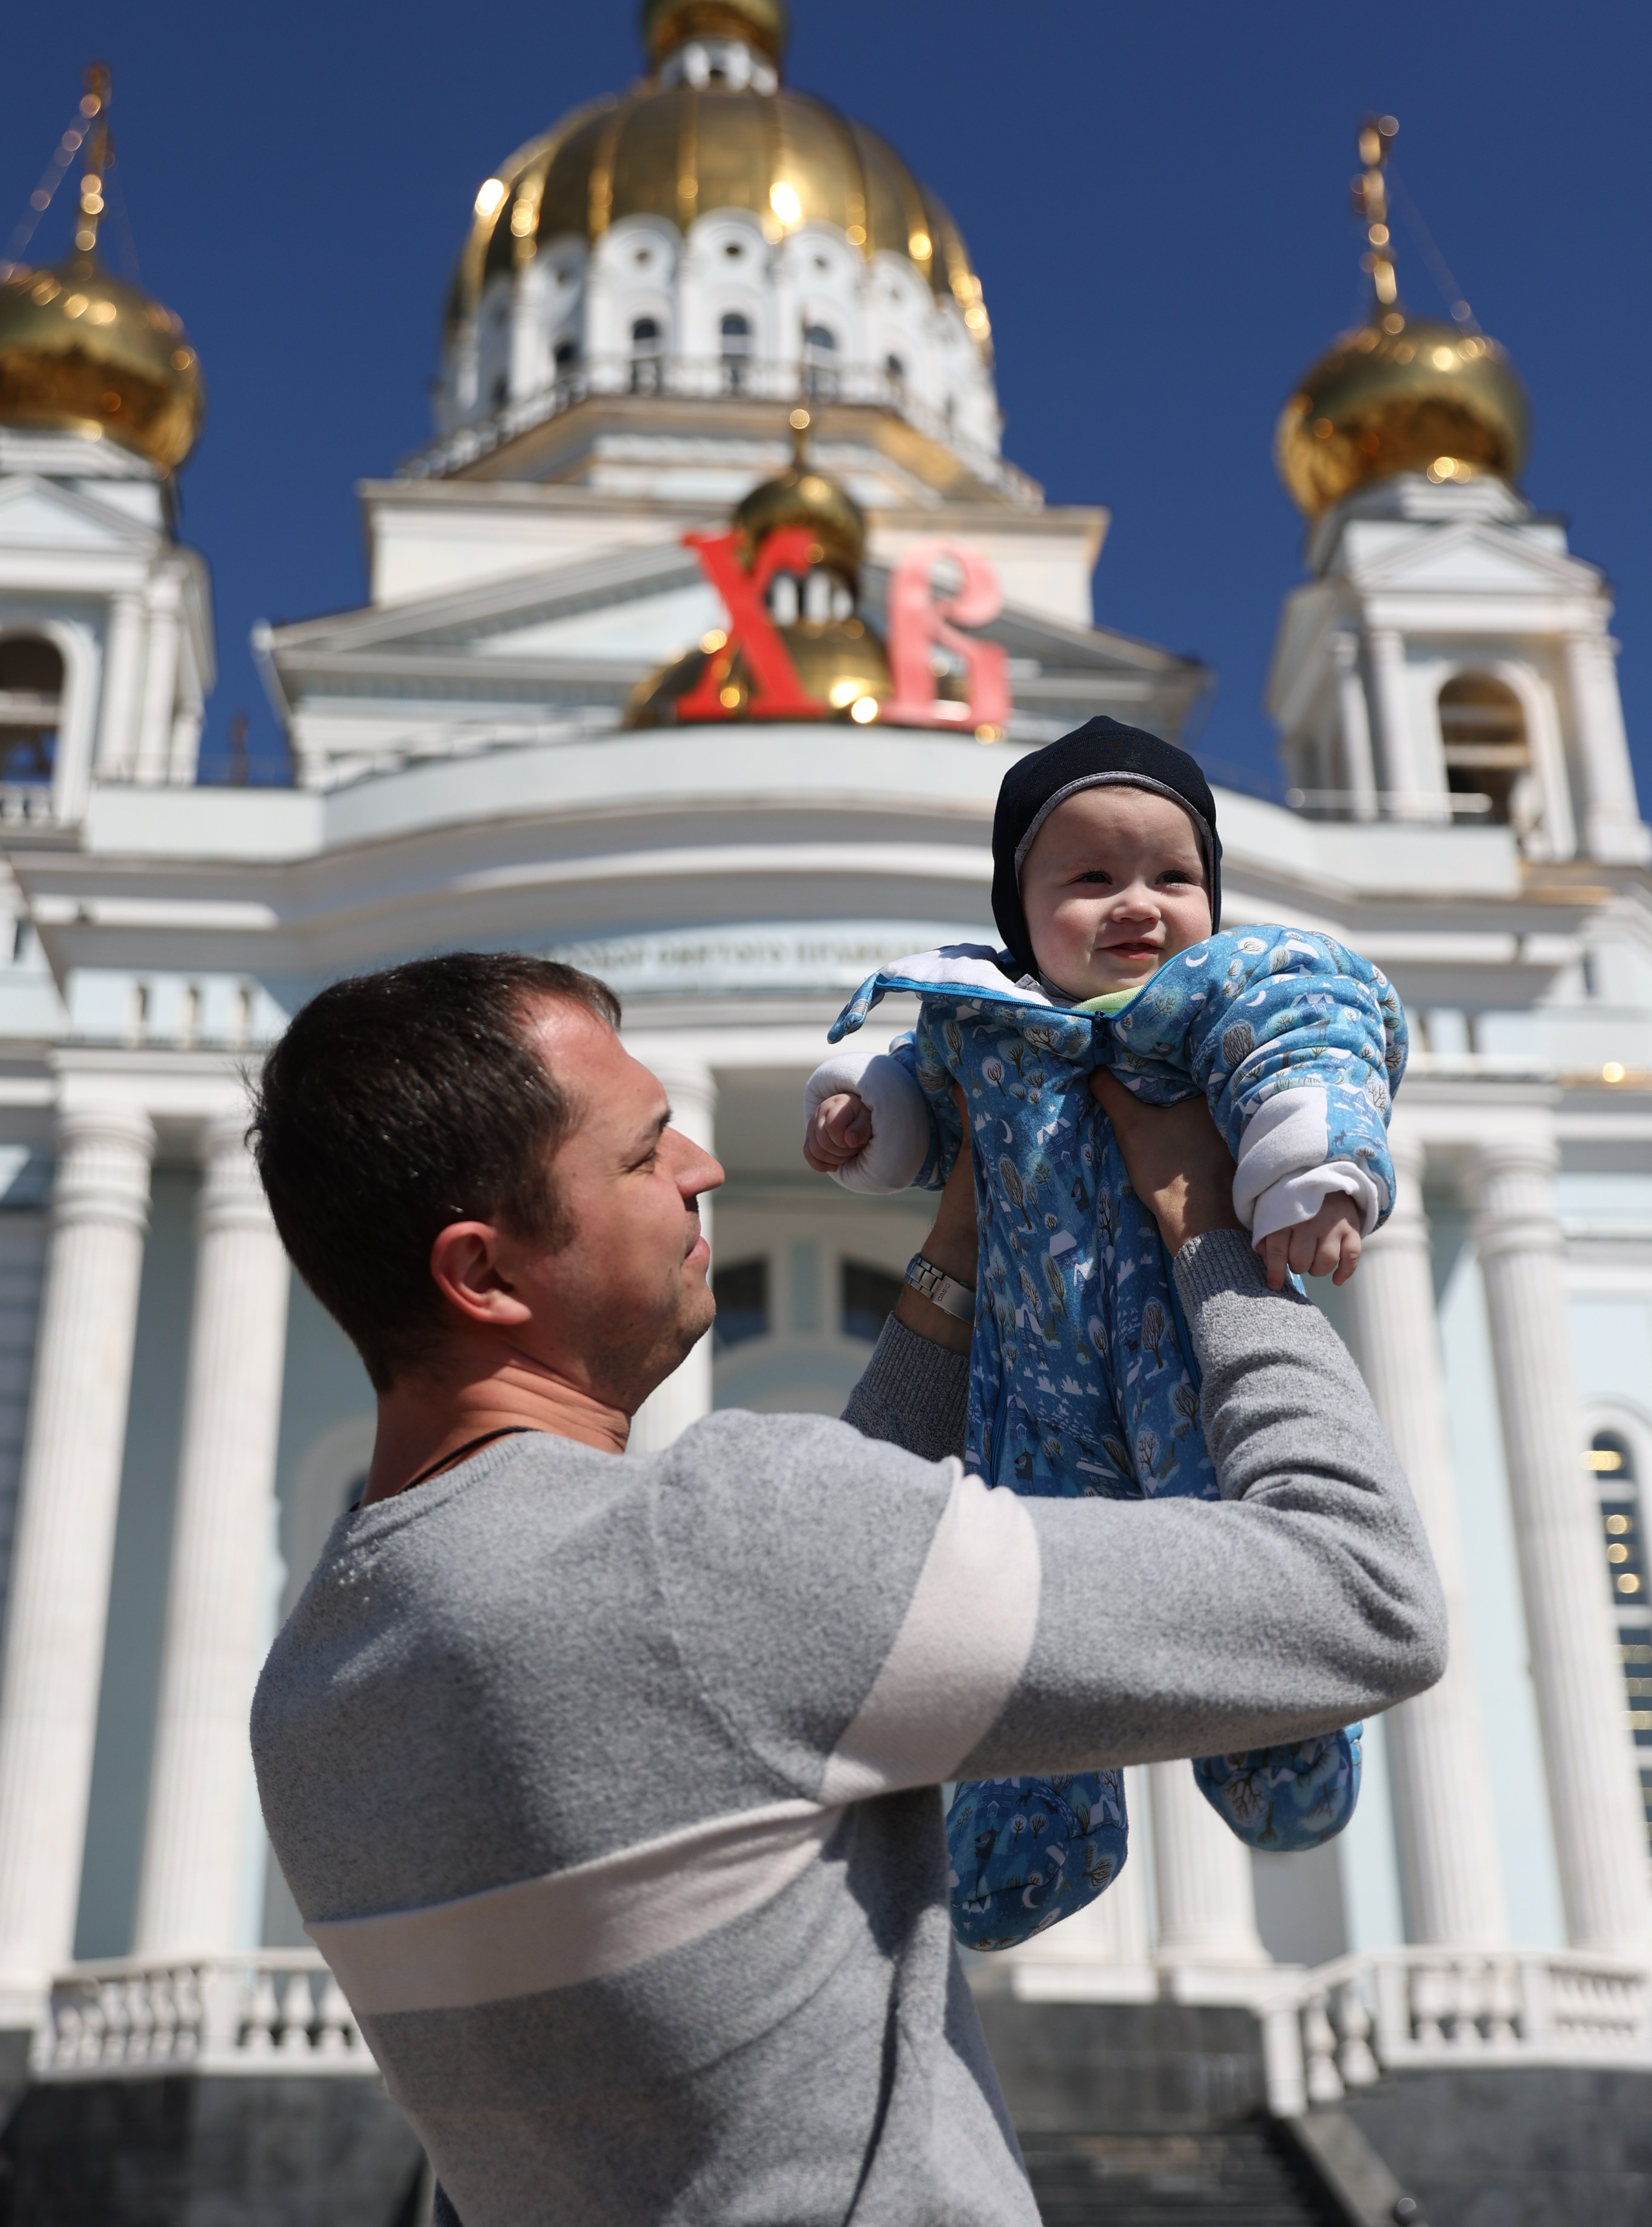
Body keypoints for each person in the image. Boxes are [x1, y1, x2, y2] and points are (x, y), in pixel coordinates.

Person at [248, 949, 1445, 2227]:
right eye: (644, 1155)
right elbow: (1362, 1595)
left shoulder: (314, 1692)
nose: (704, 1169)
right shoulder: (718, 1552)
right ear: (483, 1274)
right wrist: (1212, 1237)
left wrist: (956, 1261)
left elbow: (776, 1658)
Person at [801, 718, 1405, 1944]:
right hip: (1028, 1390)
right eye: (1089, 878)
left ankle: (1279, 1741)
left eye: (1172, 875)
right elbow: (920, 1094)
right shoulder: (982, 1023)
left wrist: (1316, 1170)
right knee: (1016, 1605)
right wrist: (869, 1118)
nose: (1137, 904)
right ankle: (1030, 1826)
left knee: (1237, 1552)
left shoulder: (1225, 992)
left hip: (1186, 1367)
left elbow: (1317, 1045)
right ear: (1019, 917)